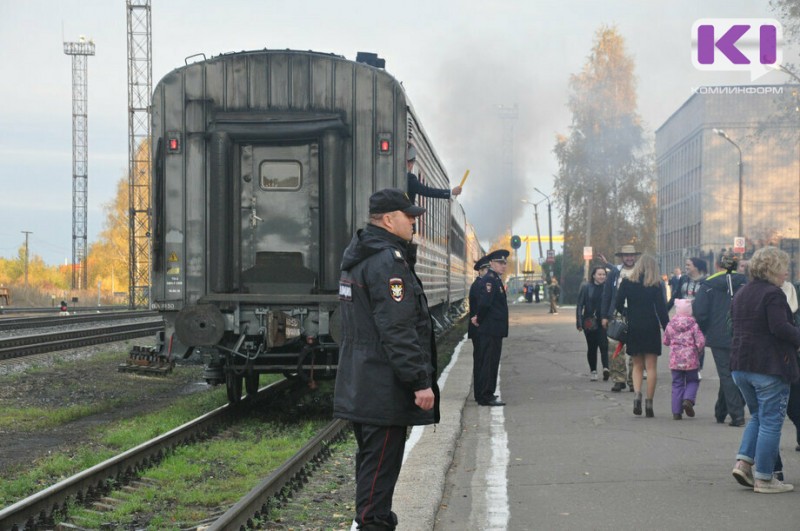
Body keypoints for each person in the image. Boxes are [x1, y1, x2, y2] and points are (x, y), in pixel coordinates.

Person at [335, 188, 439, 529]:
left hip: (363, 380)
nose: (413, 223)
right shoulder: (386, 262)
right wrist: (419, 381)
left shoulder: (362, 255)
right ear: (388, 219)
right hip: (382, 387)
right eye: (408, 217)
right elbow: (398, 328)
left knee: (372, 468)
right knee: (378, 477)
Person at [729, 246, 800, 494]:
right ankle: (764, 478)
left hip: (741, 366)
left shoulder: (742, 292)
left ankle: (743, 464)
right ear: (773, 269)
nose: (786, 275)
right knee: (771, 422)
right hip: (768, 366)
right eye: (783, 269)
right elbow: (780, 327)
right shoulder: (773, 294)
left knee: (758, 416)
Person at [692, 252, 747, 427]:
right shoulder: (746, 283)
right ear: (737, 266)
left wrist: (706, 328)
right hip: (743, 333)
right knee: (736, 372)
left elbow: (699, 311)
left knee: (726, 374)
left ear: (718, 266)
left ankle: (737, 415)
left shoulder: (708, 285)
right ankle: (721, 411)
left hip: (718, 334)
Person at [615, 253, 670, 417]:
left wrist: (627, 312)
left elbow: (617, 303)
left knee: (637, 365)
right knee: (651, 367)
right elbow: (662, 310)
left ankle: (637, 395)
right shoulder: (656, 284)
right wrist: (668, 328)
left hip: (634, 326)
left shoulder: (626, 283)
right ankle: (649, 404)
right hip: (651, 326)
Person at [471, 249, 510, 406]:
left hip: (494, 328)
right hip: (490, 328)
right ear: (492, 263)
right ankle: (485, 395)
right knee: (488, 362)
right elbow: (485, 303)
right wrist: (478, 318)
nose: (504, 266)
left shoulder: (495, 279)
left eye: (505, 263)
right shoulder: (490, 280)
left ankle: (487, 393)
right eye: (501, 263)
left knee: (492, 361)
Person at [599, 245, 641, 393]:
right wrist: (604, 316)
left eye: (631, 255)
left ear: (635, 257)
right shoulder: (615, 273)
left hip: (636, 314)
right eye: (626, 256)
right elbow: (607, 295)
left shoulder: (641, 272)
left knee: (635, 350)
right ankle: (618, 379)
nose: (629, 258)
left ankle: (632, 380)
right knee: (614, 348)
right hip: (617, 315)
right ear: (622, 257)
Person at [663, 299, 705, 420]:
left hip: (675, 360)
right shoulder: (694, 325)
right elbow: (701, 342)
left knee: (677, 383)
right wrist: (699, 350)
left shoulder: (671, 325)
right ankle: (688, 399)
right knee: (693, 381)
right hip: (690, 359)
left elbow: (666, 341)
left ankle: (676, 411)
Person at [576, 265, 610, 382]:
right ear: (594, 275)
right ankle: (593, 371)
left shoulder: (608, 288)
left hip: (604, 321)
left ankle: (606, 368)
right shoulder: (586, 288)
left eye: (604, 274)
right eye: (599, 274)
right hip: (589, 321)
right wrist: (579, 322)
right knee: (592, 347)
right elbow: (580, 305)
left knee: (604, 345)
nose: (602, 276)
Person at [468, 255, 490, 404]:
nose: (488, 272)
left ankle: (481, 393)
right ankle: (480, 394)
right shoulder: (478, 286)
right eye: (486, 269)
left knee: (482, 361)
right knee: (481, 362)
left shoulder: (479, 285)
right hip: (479, 329)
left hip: (480, 329)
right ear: (480, 271)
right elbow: (482, 307)